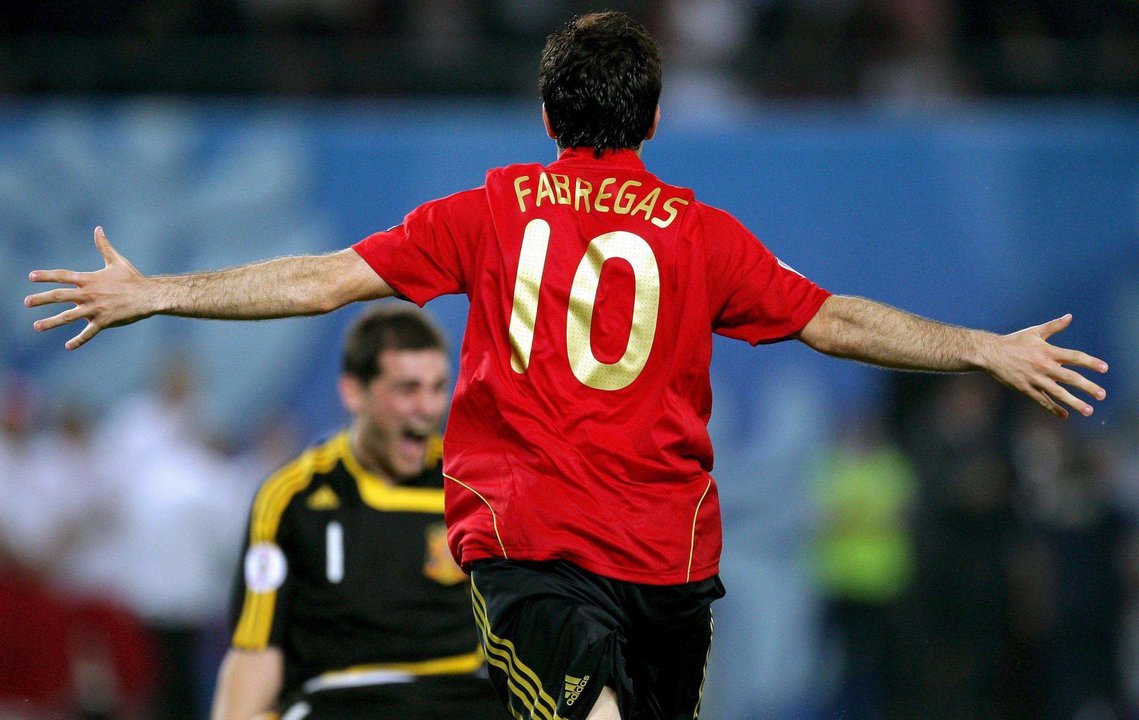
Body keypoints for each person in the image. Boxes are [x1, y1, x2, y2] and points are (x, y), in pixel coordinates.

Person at [25, 11, 1108, 720]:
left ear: (547, 114)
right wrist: (978, 345)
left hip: (539, 546)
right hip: (664, 562)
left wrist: (161, 290)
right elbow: (833, 322)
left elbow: (318, 281)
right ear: (651, 116)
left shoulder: (490, 211)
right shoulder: (700, 232)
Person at [208, 302, 501, 720]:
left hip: (460, 700)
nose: (429, 407)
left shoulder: (474, 489)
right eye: (408, 389)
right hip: (339, 703)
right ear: (353, 392)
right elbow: (255, 652)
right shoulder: (293, 499)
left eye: (438, 387)